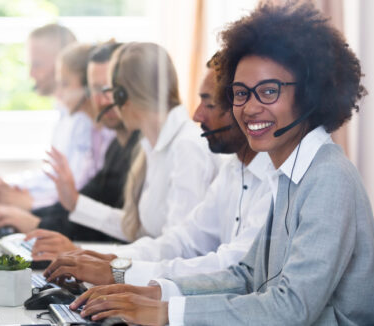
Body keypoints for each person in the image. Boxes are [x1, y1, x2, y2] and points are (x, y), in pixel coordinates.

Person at [68, 2, 374, 325]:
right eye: (241, 93)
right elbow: (247, 275)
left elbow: (292, 308)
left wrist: (170, 313)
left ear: (310, 94)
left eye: (269, 91)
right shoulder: (289, 174)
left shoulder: (328, 177)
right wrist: (157, 293)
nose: (249, 107)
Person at [37, 54, 273, 288]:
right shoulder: (230, 168)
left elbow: (227, 266)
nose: (197, 115)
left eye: (209, 104)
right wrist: (105, 260)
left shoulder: (188, 146)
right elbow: (181, 240)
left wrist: (118, 270)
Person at [33, 42, 219, 244]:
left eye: (110, 90)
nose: (107, 99)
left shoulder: (186, 147)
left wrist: (92, 258)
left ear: (123, 95)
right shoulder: (152, 147)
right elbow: (139, 231)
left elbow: (177, 249)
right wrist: (76, 204)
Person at [0, 42, 139, 241]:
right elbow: (84, 200)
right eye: (96, 90)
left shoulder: (121, 141)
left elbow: (110, 221)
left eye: (109, 89)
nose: (101, 99)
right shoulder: (117, 144)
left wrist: (34, 219)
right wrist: (34, 218)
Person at [0, 24, 78, 210]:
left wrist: (23, 201)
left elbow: (72, 194)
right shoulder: (63, 112)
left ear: (63, 65)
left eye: (37, 64)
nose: (31, 74)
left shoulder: (83, 121)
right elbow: (49, 179)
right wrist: (1, 183)